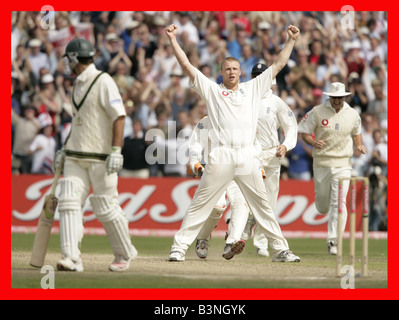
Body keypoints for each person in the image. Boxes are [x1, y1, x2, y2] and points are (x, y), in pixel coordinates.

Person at [165, 23, 301, 263]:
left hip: (248, 155)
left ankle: (281, 250)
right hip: (222, 155)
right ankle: (179, 248)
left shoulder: (252, 89)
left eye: (235, 69)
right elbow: (187, 66)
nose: (231, 72)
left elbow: (278, 64)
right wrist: (173, 40)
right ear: (221, 72)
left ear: (241, 72)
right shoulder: (212, 90)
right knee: (201, 204)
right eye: (227, 69)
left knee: (261, 205)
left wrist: (290, 40)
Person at [53, 38, 137, 272]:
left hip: (100, 158)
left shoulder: (103, 81)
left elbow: (119, 116)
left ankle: (124, 253)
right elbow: (79, 120)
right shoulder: (77, 84)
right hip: (75, 156)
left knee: (105, 206)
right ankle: (71, 257)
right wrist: (65, 147)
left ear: (73, 58)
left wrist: (115, 151)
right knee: (69, 202)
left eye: (67, 60)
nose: (66, 65)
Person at [298, 82, 367, 255]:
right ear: (330, 96)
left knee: (339, 202)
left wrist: (359, 145)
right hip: (322, 163)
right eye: (334, 97)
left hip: (343, 163)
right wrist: (313, 142)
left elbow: (357, 133)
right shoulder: (317, 111)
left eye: (340, 97)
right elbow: (304, 132)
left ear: (345, 96)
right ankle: (329, 223)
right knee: (323, 206)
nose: (337, 100)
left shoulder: (352, 114)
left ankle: (333, 241)